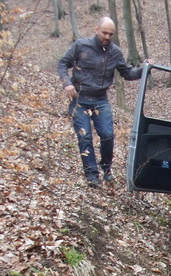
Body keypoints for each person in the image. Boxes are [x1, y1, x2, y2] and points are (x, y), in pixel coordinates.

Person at [57, 17, 145, 188]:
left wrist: (145, 69)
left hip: (100, 99)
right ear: (96, 29)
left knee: (107, 135)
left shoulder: (115, 52)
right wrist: (67, 83)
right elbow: (62, 64)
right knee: (85, 136)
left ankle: (106, 169)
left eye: (110, 34)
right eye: (104, 32)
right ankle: (91, 174)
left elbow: (127, 73)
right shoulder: (81, 46)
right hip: (79, 98)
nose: (107, 36)